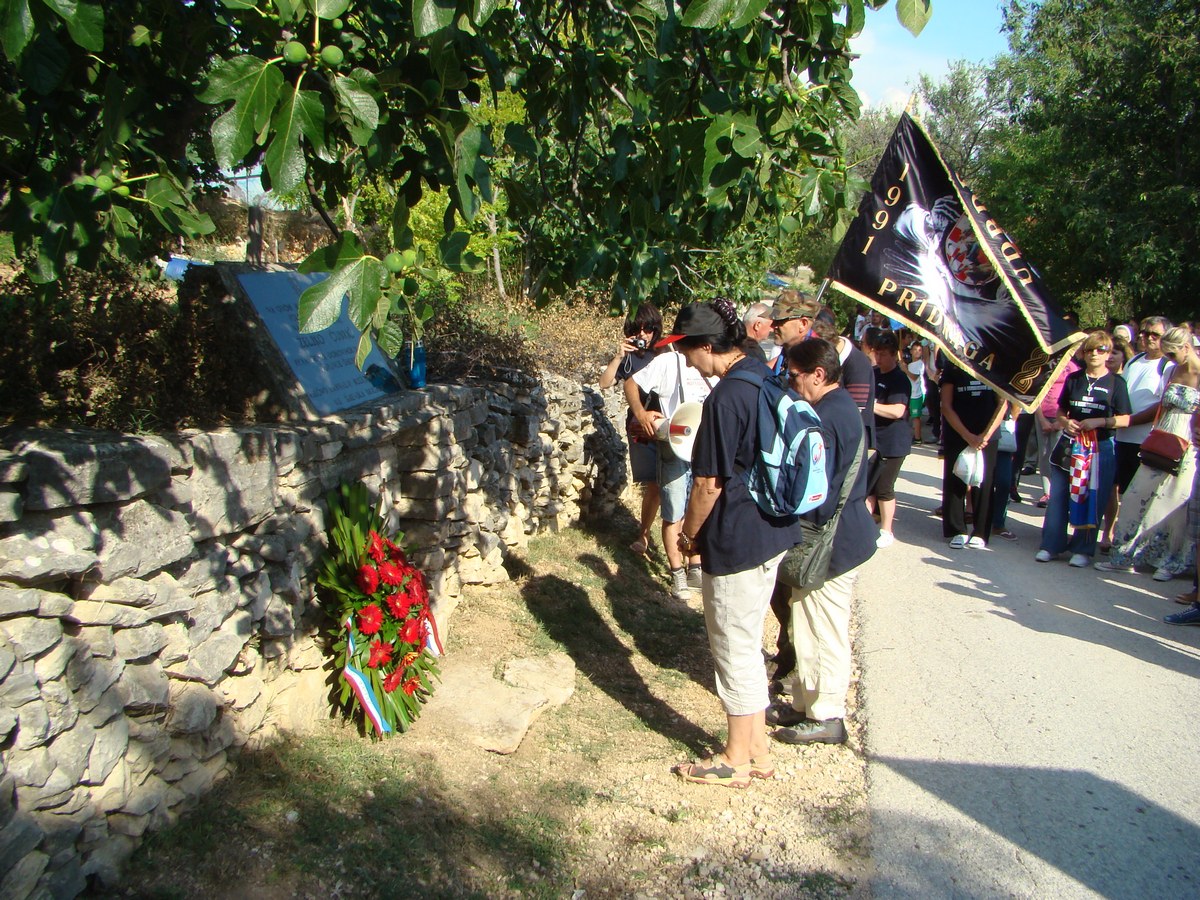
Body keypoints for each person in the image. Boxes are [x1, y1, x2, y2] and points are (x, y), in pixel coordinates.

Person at [667, 300, 803, 788]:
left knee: (735, 647)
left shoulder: (726, 398)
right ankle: (759, 750)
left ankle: (733, 759)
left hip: (738, 538)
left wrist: (687, 536)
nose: (685, 360)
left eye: (686, 350)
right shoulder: (763, 376)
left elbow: (707, 483)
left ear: (707, 347)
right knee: (747, 638)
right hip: (772, 530)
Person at [768, 339, 876, 745]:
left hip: (834, 543)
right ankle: (806, 703)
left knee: (823, 627)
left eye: (794, 375)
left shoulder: (827, 417)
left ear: (818, 373)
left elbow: (819, 491)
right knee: (807, 621)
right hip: (842, 537)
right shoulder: (842, 406)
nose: (791, 383)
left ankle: (828, 714)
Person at [1096, 327, 1200, 580]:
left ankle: (1170, 561)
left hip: (1189, 439)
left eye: (1173, 354)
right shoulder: (1172, 370)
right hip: (1164, 436)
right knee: (1134, 496)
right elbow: (1162, 405)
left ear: (1186, 347)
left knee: (1173, 502)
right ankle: (1125, 556)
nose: (1170, 359)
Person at [624, 334, 714, 599]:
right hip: (674, 446)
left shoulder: (714, 364)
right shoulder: (667, 362)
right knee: (674, 509)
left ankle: (694, 564)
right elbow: (631, 382)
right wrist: (640, 413)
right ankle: (677, 573)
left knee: (698, 506)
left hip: (704, 447)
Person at [1036, 330, 1132, 567]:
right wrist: (1065, 421)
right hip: (1070, 444)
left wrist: (1100, 422)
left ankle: (1083, 548)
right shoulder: (1074, 379)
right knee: (1058, 495)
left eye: (1101, 350)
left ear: (1108, 353)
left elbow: (1126, 418)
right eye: (1090, 350)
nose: (1095, 354)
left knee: (1093, 497)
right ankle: (1051, 545)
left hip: (1099, 447)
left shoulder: (1116, 383)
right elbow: (1061, 409)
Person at [598, 302, 663, 555]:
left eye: (649, 330)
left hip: (668, 421)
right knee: (653, 483)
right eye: (638, 330)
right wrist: (618, 356)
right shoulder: (628, 359)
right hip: (639, 426)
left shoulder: (665, 354)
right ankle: (644, 534)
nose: (643, 335)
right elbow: (604, 384)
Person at [940, 360, 1006, 548]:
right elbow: (946, 405)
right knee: (956, 480)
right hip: (959, 432)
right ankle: (957, 529)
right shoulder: (953, 368)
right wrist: (966, 435)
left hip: (988, 435)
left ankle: (980, 532)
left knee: (984, 482)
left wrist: (986, 435)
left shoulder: (994, 368)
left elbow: (1003, 403)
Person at [870, 330, 913, 548]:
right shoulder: (873, 373)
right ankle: (866, 526)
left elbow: (897, 411)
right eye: (877, 353)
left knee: (884, 487)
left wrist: (871, 406)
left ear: (894, 354)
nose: (879, 358)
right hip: (874, 437)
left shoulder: (900, 379)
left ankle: (886, 529)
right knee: (868, 485)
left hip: (894, 441)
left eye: (884, 354)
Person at [901, 338, 927, 444]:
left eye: (920, 350)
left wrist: (905, 370)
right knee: (907, 414)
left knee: (916, 417)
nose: (917, 352)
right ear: (911, 351)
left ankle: (917, 438)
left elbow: (914, 377)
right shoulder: (911, 364)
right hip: (911, 393)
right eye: (915, 349)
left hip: (917, 393)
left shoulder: (920, 364)